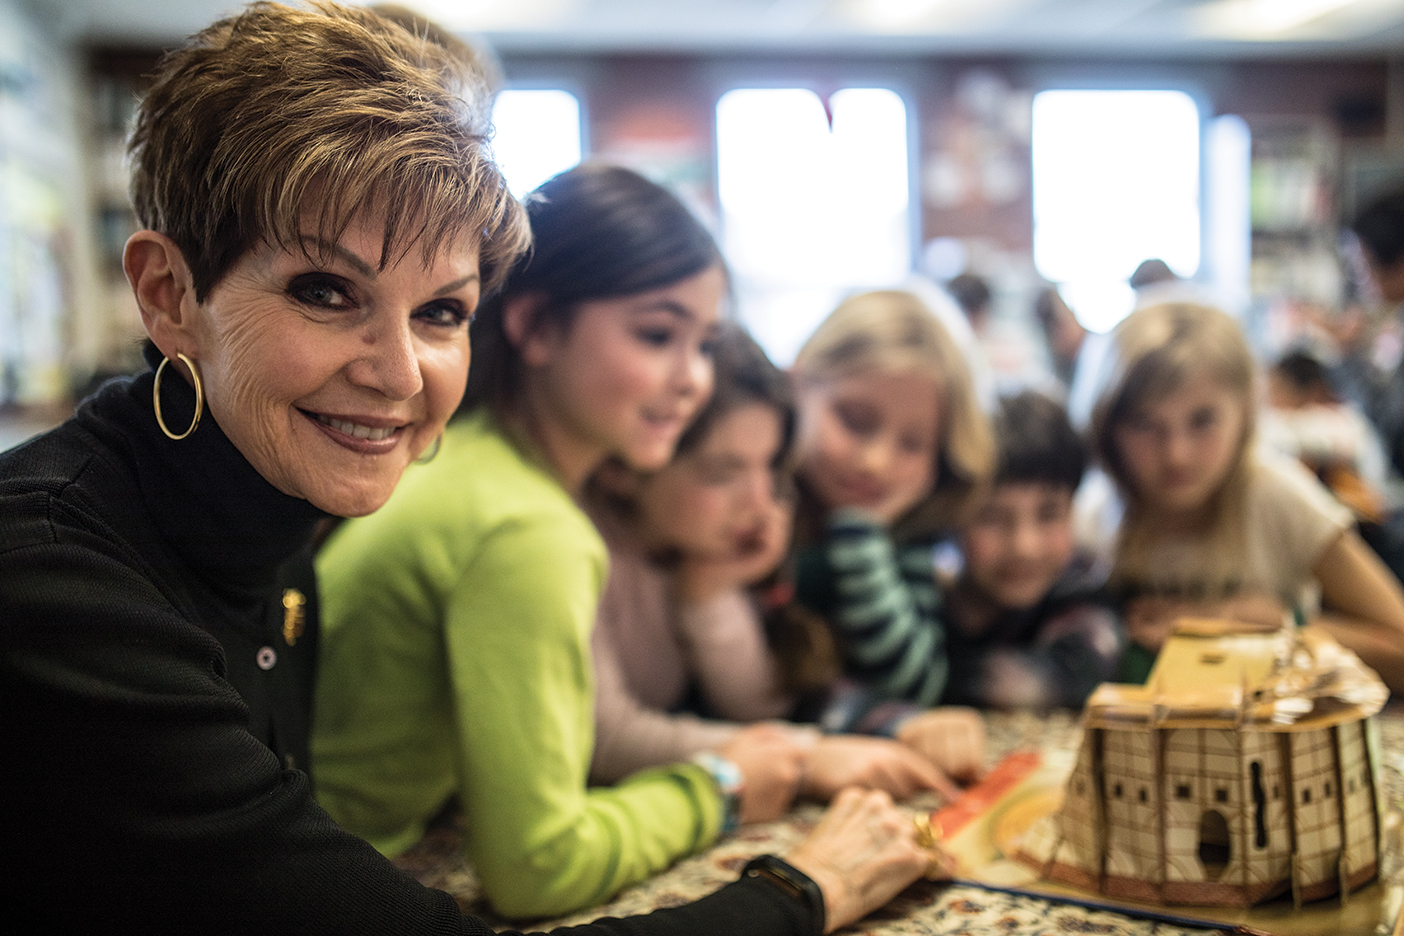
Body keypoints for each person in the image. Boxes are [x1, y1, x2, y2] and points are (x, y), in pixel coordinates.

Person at [0, 5, 934, 933]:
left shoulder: (268, 512)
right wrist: (799, 893)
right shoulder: (59, 583)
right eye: (326, 292)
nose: (399, 374)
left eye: (442, 311)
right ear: (169, 295)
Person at [311, 164, 937, 921]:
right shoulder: (525, 526)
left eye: (703, 343)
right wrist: (721, 784)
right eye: (656, 334)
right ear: (537, 327)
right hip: (339, 887)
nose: (693, 379)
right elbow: (539, 868)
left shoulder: (471, 461)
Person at [586, 324, 972, 797]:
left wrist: (708, 592)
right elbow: (605, 739)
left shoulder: (700, 546)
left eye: (770, 465)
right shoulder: (586, 552)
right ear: (622, 465)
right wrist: (810, 755)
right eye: (724, 472)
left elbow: (753, 704)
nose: (761, 500)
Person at [1083, 302, 1404, 691]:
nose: (1176, 454)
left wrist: (1275, 627)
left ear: (1246, 412)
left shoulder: (1278, 496)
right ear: (1107, 426)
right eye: (1144, 424)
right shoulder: (1094, 517)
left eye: (1203, 420)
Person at [788, 289, 991, 767]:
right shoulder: (754, 513)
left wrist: (860, 534)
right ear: (798, 383)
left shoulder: (911, 534)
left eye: (913, 444)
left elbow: (913, 680)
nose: (875, 462)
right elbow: (778, 694)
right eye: (854, 421)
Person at [939, 391, 1122, 711]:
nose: (1025, 545)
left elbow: (1071, 679)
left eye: (1049, 513)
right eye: (992, 516)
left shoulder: (1083, 593)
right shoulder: (925, 599)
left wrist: (919, 675)